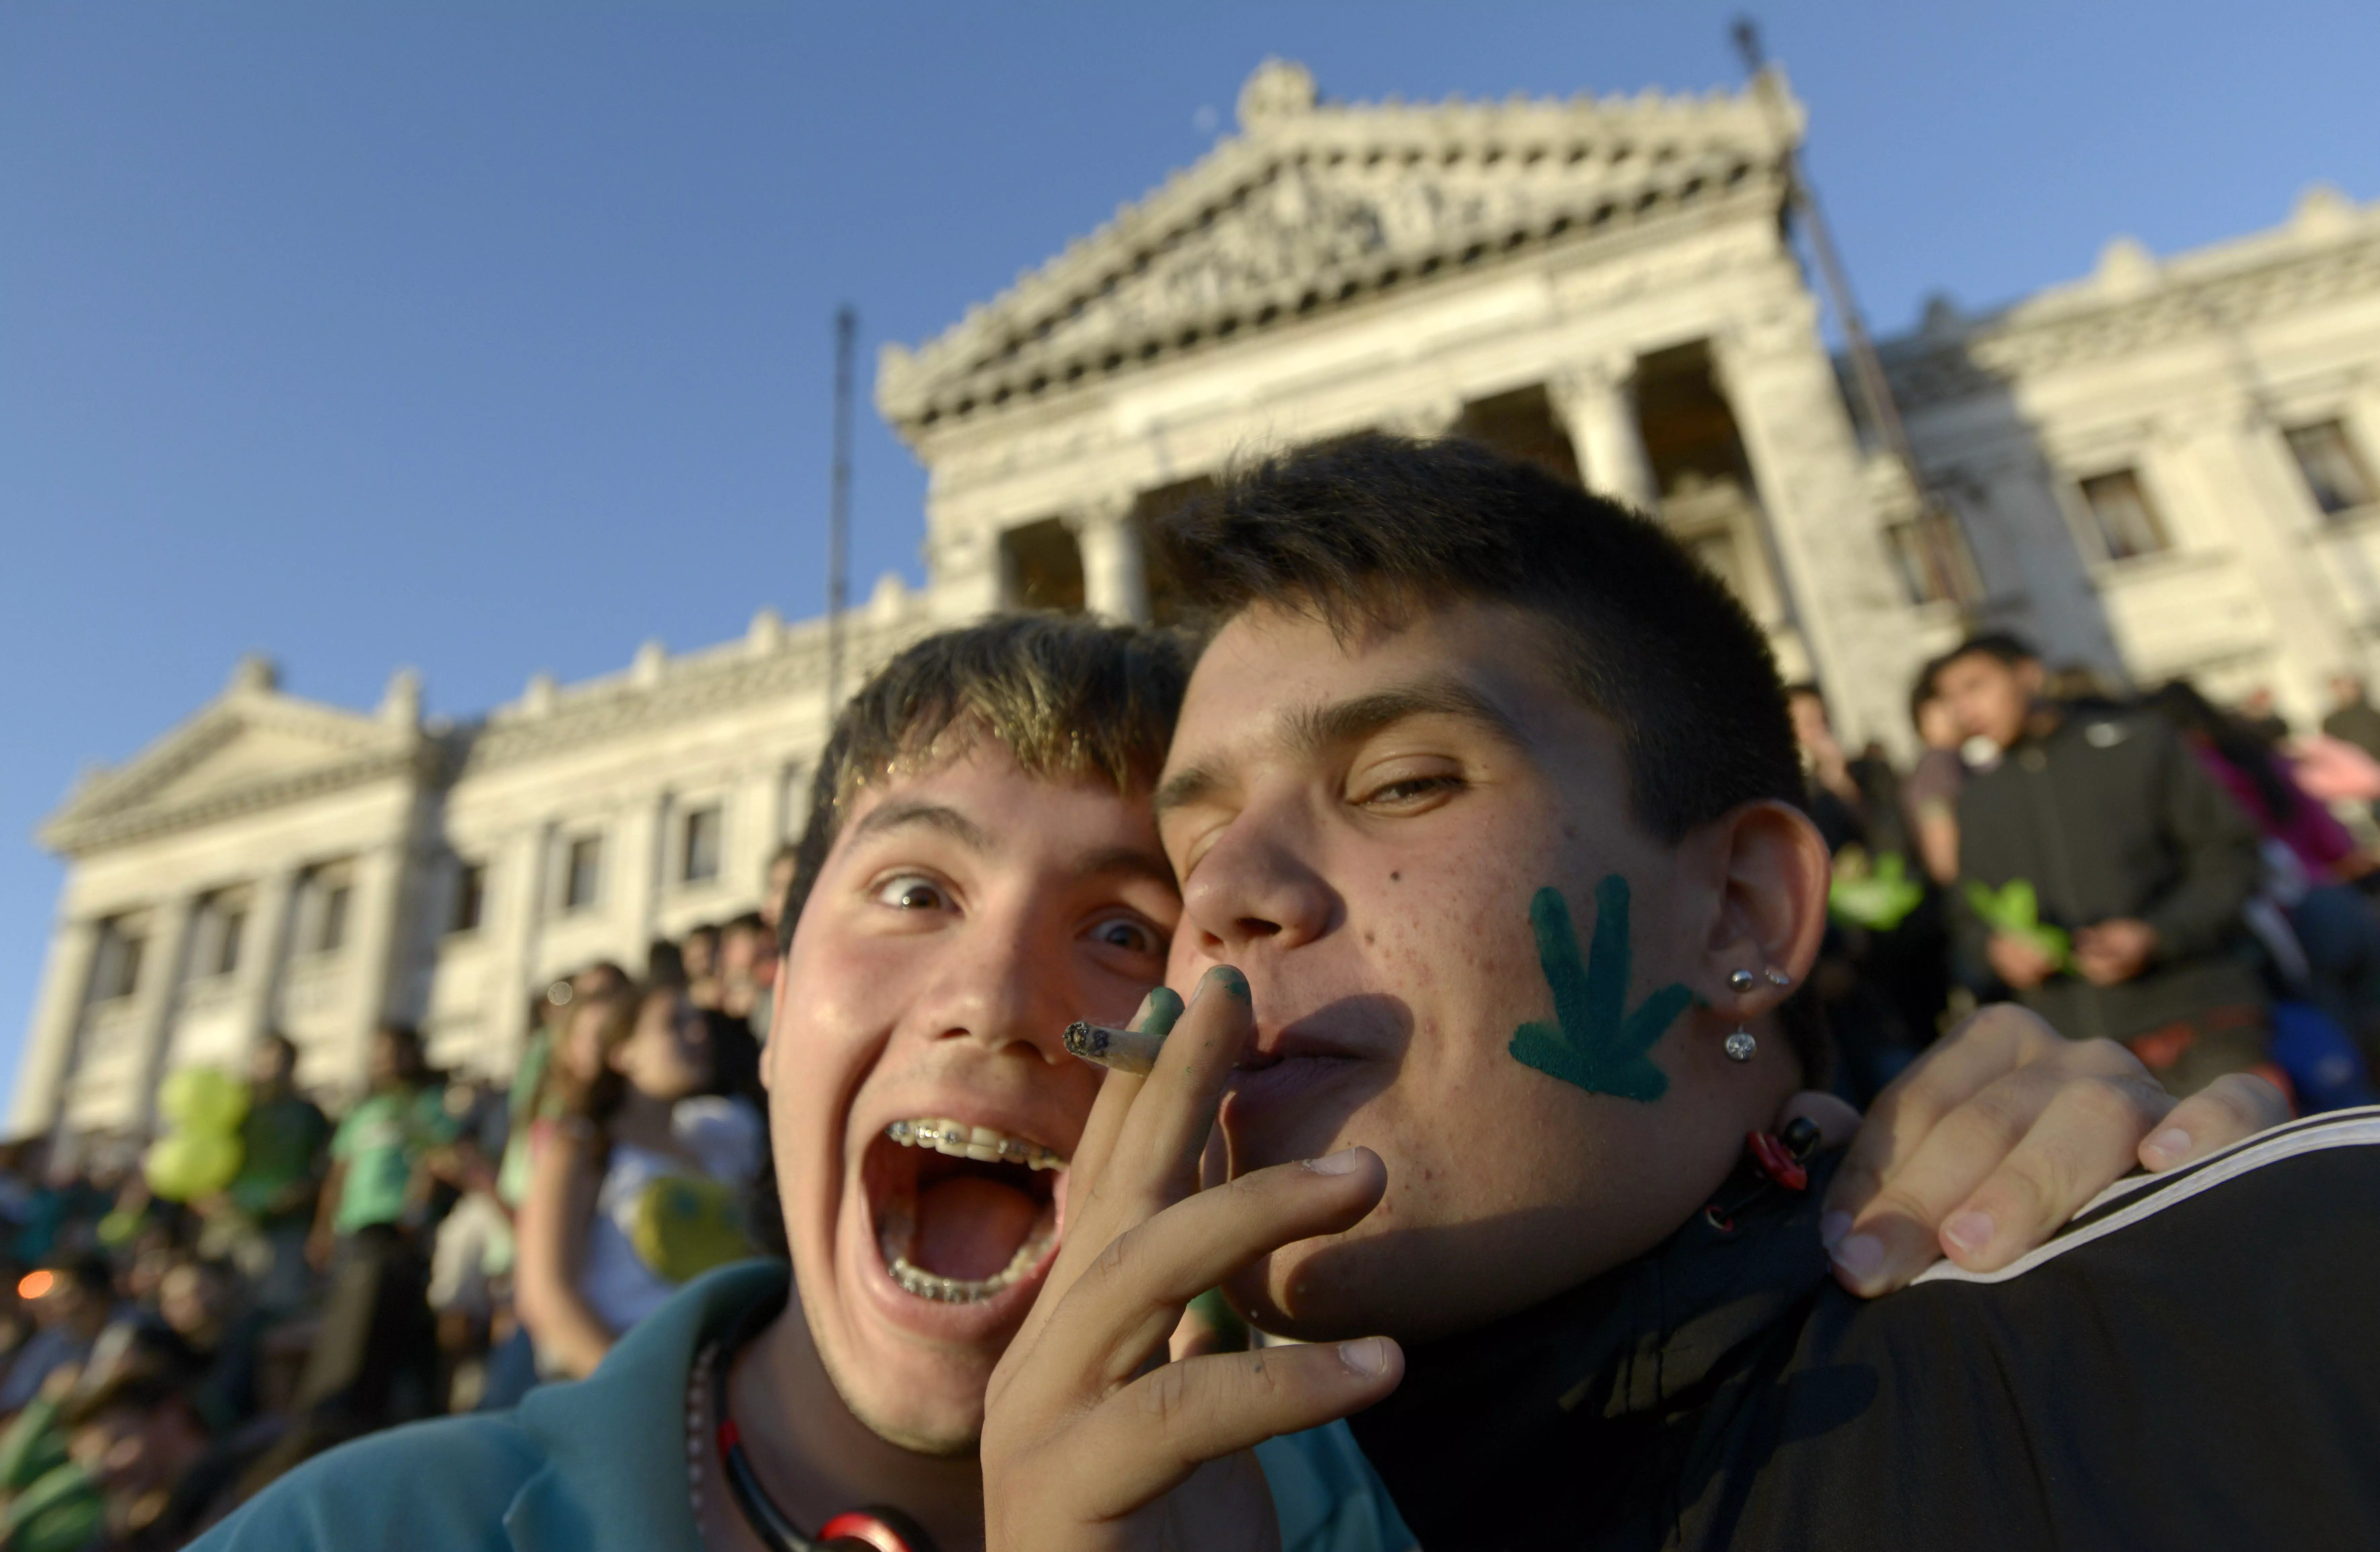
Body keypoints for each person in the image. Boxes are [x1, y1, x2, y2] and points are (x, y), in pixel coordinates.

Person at [192, 615, 2277, 1552]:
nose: (1001, 999)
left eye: (1126, 922)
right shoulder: (371, 1528)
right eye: (910, 881)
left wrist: (1833, 1164)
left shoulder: (1398, 1488)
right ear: (764, 974)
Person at [975, 435, 2354, 1552]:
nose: (1226, 901)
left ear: (1739, 911)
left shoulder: (2282, 1324)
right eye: (1188, 853)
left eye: (1401, 783)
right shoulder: (1178, 1517)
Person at [1935, 633, 2273, 1094]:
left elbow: (2231, 858)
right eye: (1950, 697)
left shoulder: (2140, 745)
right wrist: (1997, 950)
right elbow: (1966, 914)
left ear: (2029, 674)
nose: (1964, 708)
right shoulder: (1978, 800)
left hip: (2200, 1017)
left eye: (1976, 686)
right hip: (2074, 1055)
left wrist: (2157, 934)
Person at [514, 982, 761, 1379]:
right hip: (628, 1382)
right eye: (674, 1025)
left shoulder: (719, 1139)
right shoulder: (583, 1147)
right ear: (622, 1053)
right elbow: (545, 1294)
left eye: (697, 1022)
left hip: (720, 1379)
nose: (697, 1034)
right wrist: (625, 1387)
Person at [208, 1035, 330, 1314]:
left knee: (273, 1308)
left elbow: (325, 1168)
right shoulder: (233, 1110)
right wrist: (211, 1198)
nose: (272, 1070)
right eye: (265, 1062)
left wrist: (299, 1195)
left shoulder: (309, 1115)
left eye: (280, 1063)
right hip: (230, 1224)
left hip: (285, 1228)